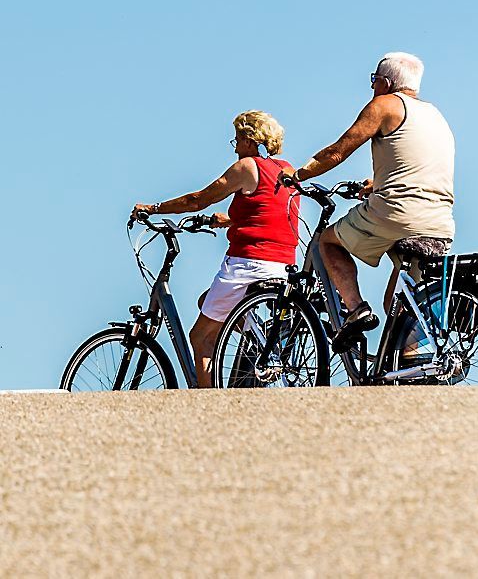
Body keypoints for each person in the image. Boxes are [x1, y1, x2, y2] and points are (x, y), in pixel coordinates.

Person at [285, 52, 455, 342]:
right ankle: (410, 371)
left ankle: (355, 309)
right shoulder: (435, 115)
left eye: (374, 80)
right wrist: (378, 183)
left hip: (397, 212)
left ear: (386, 82)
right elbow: (419, 166)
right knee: (398, 309)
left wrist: (298, 175)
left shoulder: (385, 105)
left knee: (327, 241)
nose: (372, 87)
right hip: (439, 221)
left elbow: (338, 151)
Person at [132, 111, 300, 388]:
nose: (234, 145)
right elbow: (270, 211)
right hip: (282, 263)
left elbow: (198, 200)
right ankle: (257, 336)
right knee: (206, 302)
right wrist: (231, 219)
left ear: (249, 139)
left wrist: (154, 208)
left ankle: (207, 400)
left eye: (236, 138)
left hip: (248, 262)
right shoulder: (287, 169)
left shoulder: (246, 167)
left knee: (201, 336)